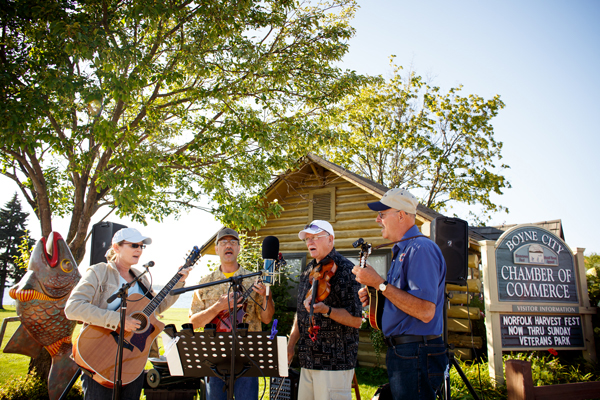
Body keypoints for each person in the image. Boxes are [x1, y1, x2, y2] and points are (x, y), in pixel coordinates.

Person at [65, 227, 189, 400]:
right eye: (133, 245)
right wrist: (118, 320)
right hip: (100, 354)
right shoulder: (99, 272)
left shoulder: (142, 277)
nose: (139, 249)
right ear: (116, 248)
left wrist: (179, 282)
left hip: (133, 359)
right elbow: (73, 307)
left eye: (141, 246)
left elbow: (157, 308)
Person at [351, 188, 449, 400]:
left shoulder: (420, 249)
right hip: (406, 352)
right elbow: (403, 300)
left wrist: (380, 284)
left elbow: (425, 310)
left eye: (382, 214)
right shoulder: (403, 251)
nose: (378, 220)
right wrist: (377, 295)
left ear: (401, 215)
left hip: (416, 352)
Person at [189, 227, 275, 400]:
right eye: (224, 242)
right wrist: (217, 308)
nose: (228, 246)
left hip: (247, 358)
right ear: (217, 249)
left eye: (233, 242)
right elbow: (193, 323)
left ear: (239, 248)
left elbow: (266, 319)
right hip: (214, 359)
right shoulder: (205, 283)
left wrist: (268, 295)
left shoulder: (254, 279)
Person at [287, 220, 362, 400]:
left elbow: (356, 319)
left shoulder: (347, 270)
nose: (310, 242)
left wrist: (327, 310)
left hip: (334, 363)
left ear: (330, 239)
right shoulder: (308, 271)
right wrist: (291, 345)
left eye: (315, 237)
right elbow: (301, 313)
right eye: (307, 239)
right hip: (307, 360)